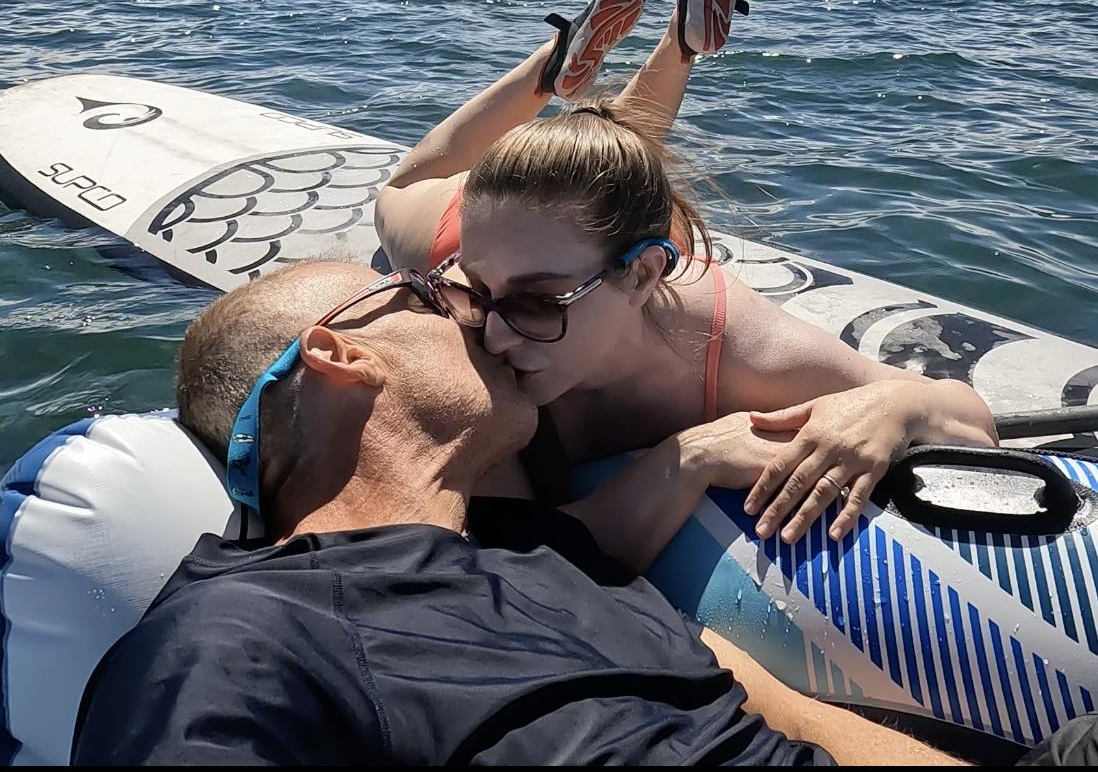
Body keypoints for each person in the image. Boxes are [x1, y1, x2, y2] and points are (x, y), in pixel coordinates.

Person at [73, 261, 964, 766]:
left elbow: (787, 724)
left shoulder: (548, 558)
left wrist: (691, 454)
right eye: (434, 298)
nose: (488, 325)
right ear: (341, 353)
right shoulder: (242, 636)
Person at [374, 0, 998, 572]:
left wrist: (896, 408)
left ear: (647, 274)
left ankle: (592, 61)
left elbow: (964, 413)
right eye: (477, 296)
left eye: (535, 302)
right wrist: (688, 458)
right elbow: (503, 560)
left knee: (598, 176)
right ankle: (617, 53)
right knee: (401, 193)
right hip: (490, 228)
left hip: (546, 233)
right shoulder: (467, 315)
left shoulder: (737, 347)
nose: (490, 336)